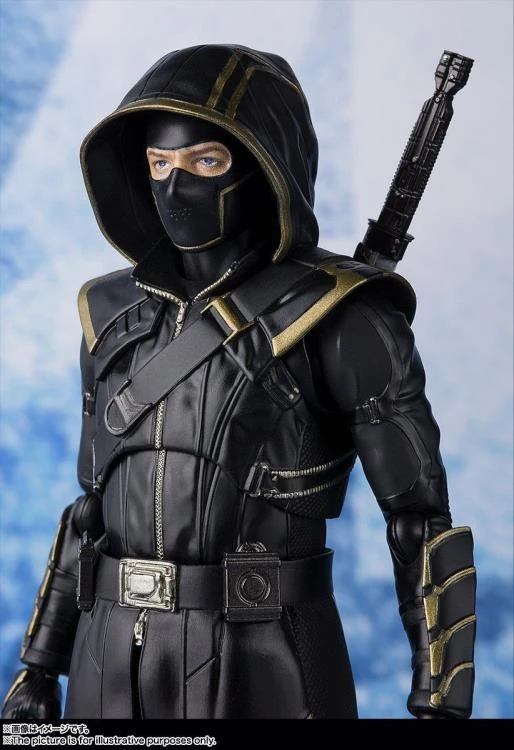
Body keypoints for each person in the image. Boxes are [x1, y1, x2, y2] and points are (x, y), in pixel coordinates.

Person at [2, 44, 476, 720]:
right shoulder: (108, 314)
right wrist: (39, 666)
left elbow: (419, 524)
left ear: (264, 165)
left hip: (265, 661)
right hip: (105, 658)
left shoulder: (344, 317)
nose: (174, 187)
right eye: (159, 163)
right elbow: (89, 512)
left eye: (206, 162)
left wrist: (441, 702)